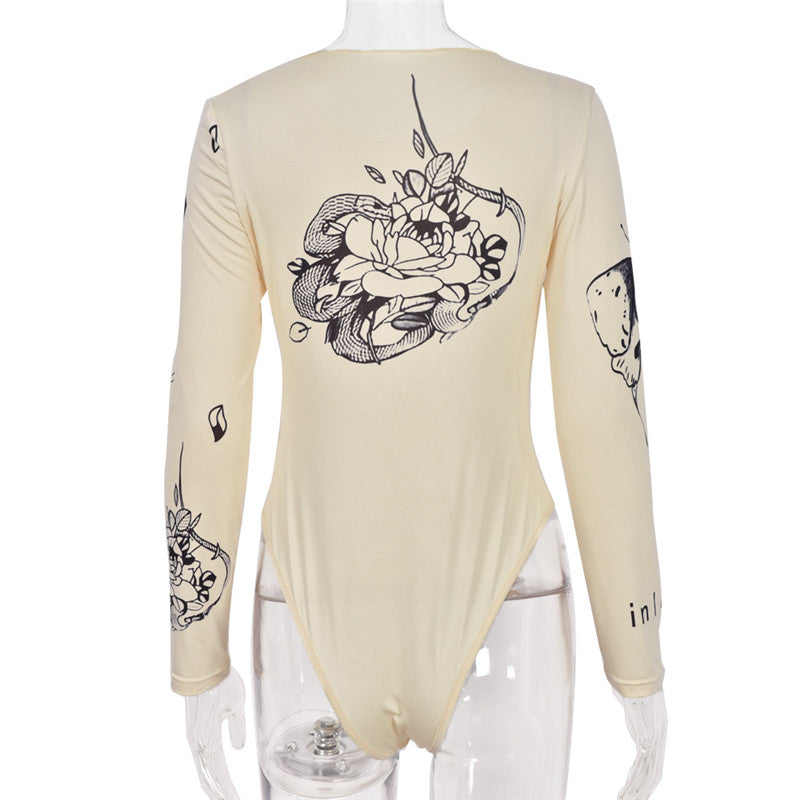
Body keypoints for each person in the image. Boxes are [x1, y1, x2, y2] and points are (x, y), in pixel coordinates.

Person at [164, 2, 668, 798]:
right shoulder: (561, 117)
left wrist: (199, 658)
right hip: (509, 605)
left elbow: (205, 396)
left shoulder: (243, 124)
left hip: (313, 602)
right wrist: (636, 660)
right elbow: (605, 399)